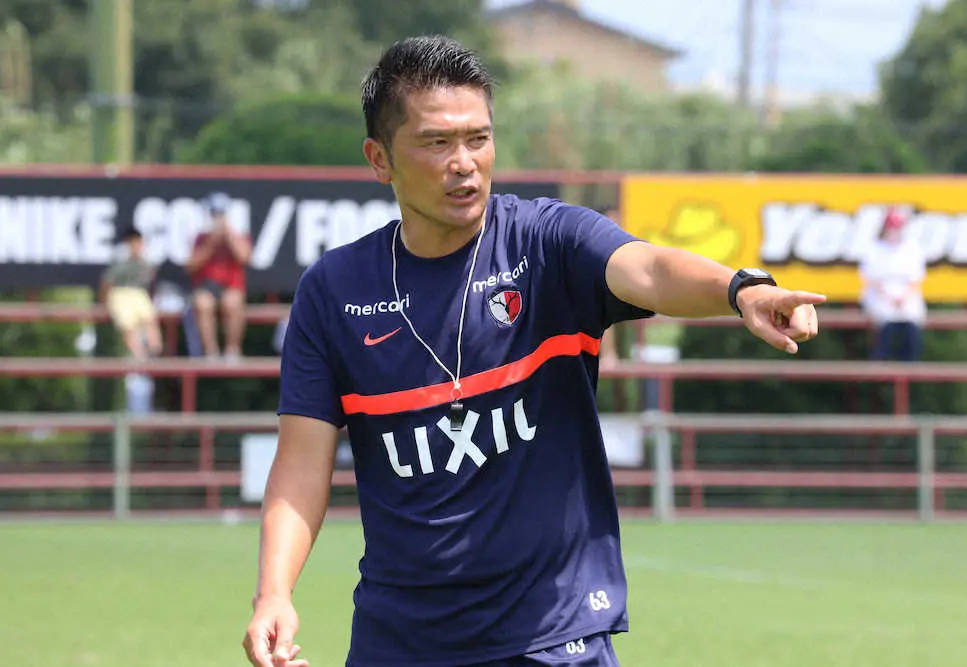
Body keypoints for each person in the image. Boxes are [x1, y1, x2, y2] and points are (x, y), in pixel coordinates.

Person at [242, 35, 824, 667]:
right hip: (400, 642)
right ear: (379, 159)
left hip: (554, 638)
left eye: (478, 138)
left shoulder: (547, 242)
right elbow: (300, 466)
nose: (464, 162)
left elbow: (650, 269)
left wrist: (740, 289)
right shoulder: (333, 292)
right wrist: (274, 593)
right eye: (436, 143)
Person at [186, 192, 252, 360]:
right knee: (202, 303)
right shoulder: (201, 238)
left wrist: (228, 235)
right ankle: (211, 353)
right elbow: (190, 266)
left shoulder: (238, 236)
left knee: (232, 303)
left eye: (220, 214)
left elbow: (245, 258)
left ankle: (232, 351)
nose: (217, 218)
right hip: (207, 286)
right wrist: (211, 244)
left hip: (231, 286)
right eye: (214, 214)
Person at [859, 208, 927, 362]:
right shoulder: (874, 249)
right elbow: (871, 278)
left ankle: (910, 363)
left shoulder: (912, 248)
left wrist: (902, 298)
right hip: (881, 295)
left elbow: (915, 279)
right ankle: (881, 361)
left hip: (906, 296)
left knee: (912, 319)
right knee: (885, 319)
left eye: (897, 227)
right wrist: (890, 298)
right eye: (891, 227)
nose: (894, 231)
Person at [99, 224, 162, 361]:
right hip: (120, 295)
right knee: (129, 326)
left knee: (150, 320)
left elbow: (151, 281)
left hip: (139, 294)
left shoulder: (146, 262)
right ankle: (139, 357)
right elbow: (107, 283)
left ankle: (153, 353)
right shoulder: (119, 261)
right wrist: (104, 301)